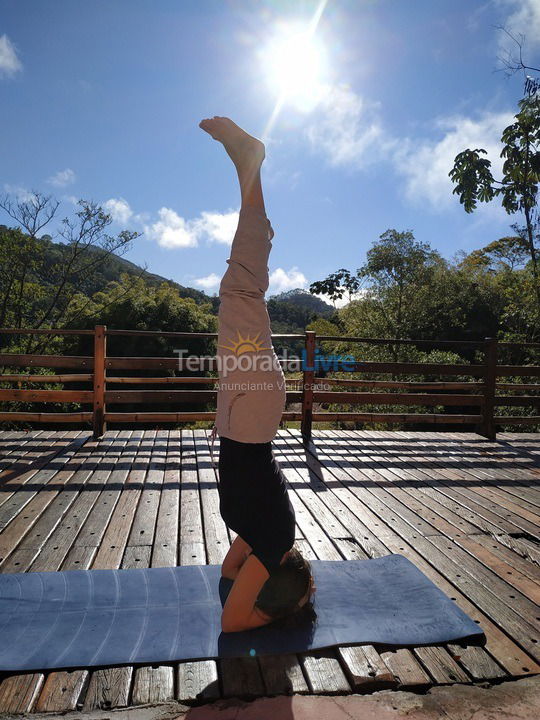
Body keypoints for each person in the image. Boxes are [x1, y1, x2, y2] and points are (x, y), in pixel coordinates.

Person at [199, 116, 317, 633]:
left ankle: (250, 167)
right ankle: (250, 165)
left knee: (239, 291)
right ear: (273, 576)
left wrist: (278, 591)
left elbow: (228, 572)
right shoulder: (271, 542)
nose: (242, 568)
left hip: (245, 415)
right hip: (251, 410)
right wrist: (286, 613)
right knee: (242, 290)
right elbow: (231, 622)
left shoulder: (261, 539)